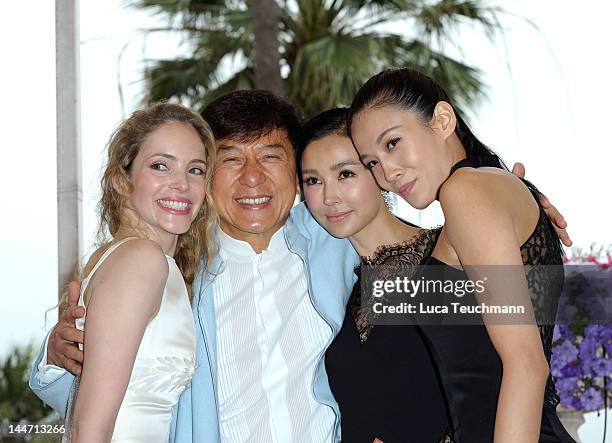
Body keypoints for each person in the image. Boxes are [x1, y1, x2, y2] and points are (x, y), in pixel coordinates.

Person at [30, 90, 571, 442]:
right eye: (228, 159)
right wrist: (59, 355)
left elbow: (478, 321)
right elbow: (115, 394)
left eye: (270, 157)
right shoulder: (177, 269)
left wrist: (518, 202)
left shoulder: (333, 239)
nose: (251, 179)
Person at [346, 67, 575, 442]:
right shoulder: (490, 188)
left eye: (392, 143)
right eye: (371, 162)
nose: (386, 173)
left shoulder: (465, 192)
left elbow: (527, 366)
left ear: (442, 120)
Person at [60, 102, 218, 442]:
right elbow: (88, 429)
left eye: (196, 170)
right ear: (121, 179)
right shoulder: (141, 261)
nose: (181, 184)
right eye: (161, 166)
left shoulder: (147, 261)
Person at [299, 107, 452, 442]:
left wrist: (516, 198)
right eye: (313, 180)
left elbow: (503, 372)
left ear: (377, 171)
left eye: (346, 174)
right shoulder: (335, 285)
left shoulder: (449, 253)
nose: (329, 197)